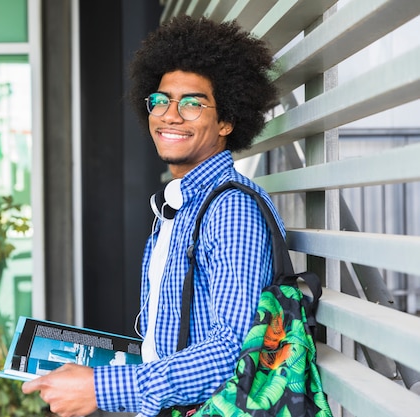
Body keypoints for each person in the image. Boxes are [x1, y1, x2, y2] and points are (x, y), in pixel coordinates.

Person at [23, 15, 282, 417]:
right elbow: (174, 341)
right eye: (160, 100)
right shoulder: (182, 205)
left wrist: (99, 388)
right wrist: (94, 369)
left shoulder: (231, 210)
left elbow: (231, 353)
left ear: (227, 121)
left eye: (193, 103)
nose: (170, 115)